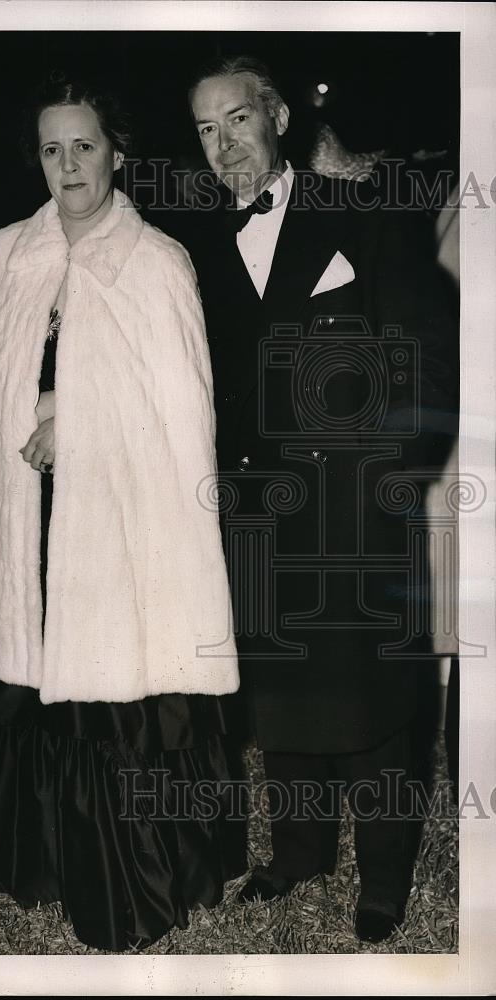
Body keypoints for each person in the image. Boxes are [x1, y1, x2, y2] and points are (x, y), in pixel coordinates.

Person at [0, 72, 246, 952]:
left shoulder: (157, 263)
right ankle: (29, 859)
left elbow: (184, 422)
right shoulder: (3, 256)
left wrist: (81, 417)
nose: (67, 166)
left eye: (84, 147)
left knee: (106, 687)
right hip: (22, 521)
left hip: (114, 529)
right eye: (51, 149)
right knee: (24, 682)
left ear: (117, 153)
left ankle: (123, 874)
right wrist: (30, 417)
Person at [183, 55, 457, 943]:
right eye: (205, 129)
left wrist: (391, 474)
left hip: (356, 507)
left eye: (237, 120)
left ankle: (382, 877)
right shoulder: (193, 247)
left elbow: (426, 352)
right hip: (258, 515)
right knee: (280, 693)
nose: (225, 145)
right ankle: (299, 847)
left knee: (375, 699)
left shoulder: (366, 209)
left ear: (278, 119)